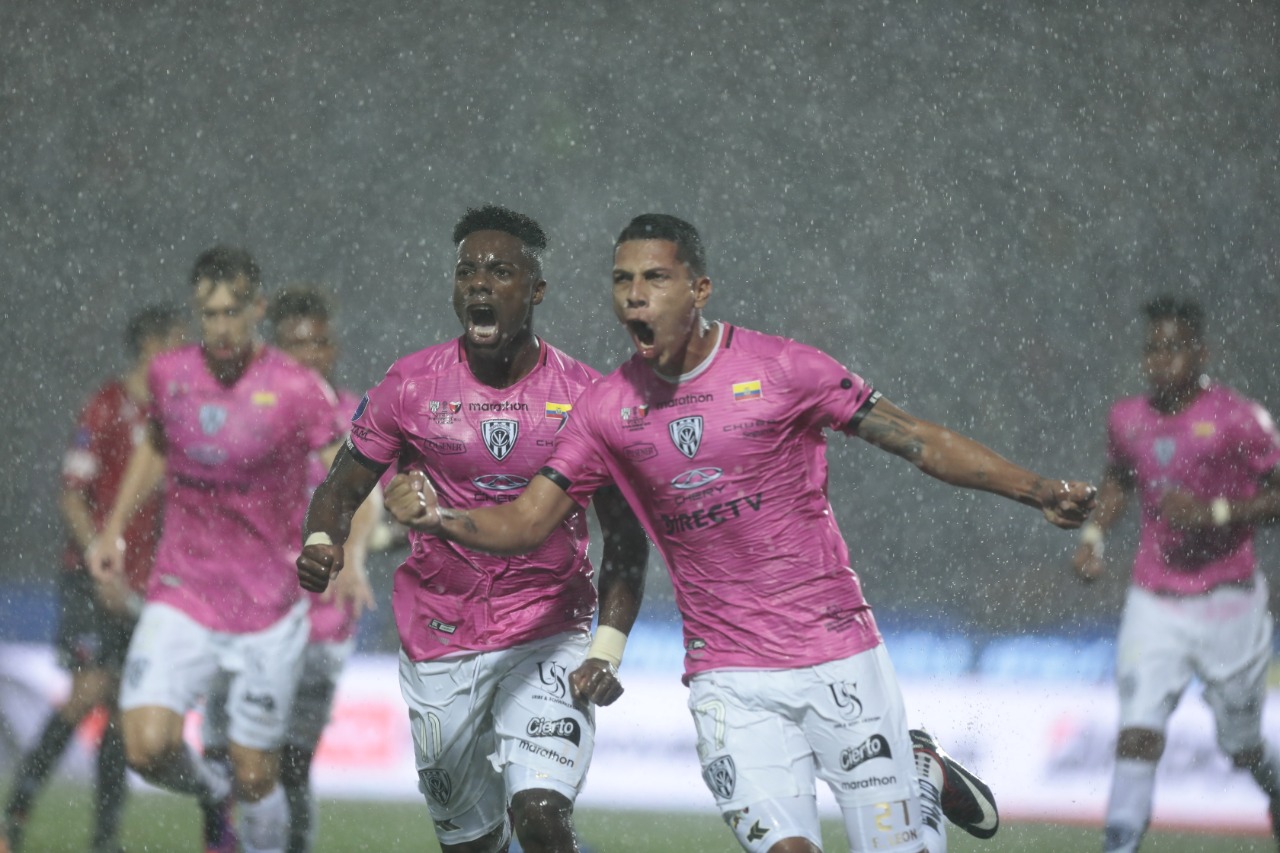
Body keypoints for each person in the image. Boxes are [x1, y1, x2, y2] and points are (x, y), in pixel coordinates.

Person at [374, 213, 1098, 853]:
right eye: (623, 280)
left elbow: (916, 439)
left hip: (838, 653)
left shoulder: (784, 370)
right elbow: (529, 519)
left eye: (655, 278)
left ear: (700, 289)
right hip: (727, 675)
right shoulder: (606, 409)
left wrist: (1035, 490)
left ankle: (919, 772)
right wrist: (440, 518)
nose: (635, 296)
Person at [295, 205, 650, 853]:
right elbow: (339, 488)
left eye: (500, 271)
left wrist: (606, 646)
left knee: (541, 816)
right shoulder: (410, 387)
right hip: (441, 638)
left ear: (536, 290)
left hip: (548, 632)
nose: (480, 283)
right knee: (471, 843)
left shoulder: (586, 398)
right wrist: (323, 541)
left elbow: (626, 539)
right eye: (467, 272)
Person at [86, 246, 349, 853]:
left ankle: (250, 820)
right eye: (210, 314)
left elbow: (346, 474)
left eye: (234, 312)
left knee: (257, 775)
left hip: (267, 605)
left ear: (257, 309)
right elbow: (157, 446)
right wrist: (114, 525)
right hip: (183, 591)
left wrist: (335, 543)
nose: (222, 327)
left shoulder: (296, 388)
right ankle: (211, 791)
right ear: (197, 312)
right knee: (146, 747)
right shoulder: (170, 375)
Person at [1071, 296, 1280, 853]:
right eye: (1151, 350)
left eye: (1172, 349)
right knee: (1138, 730)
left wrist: (1217, 512)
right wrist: (1093, 537)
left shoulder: (1240, 419)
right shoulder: (1127, 418)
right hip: (1156, 598)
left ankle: (1275, 788)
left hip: (1229, 599)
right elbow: (1118, 478)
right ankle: (1120, 843)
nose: (1159, 362)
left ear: (1200, 352)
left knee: (1240, 746)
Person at [201, 283, 381, 853]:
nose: (307, 356)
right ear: (273, 348)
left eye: (317, 343)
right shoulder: (246, 411)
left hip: (319, 620)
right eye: (294, 345)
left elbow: (373, 500)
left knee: (291, 764)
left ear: (333, 349)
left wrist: (356, 554)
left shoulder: (359, 418)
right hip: (242, 609)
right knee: (222, 758)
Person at [0, 305, 186, 853]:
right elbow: (71, 495)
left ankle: (104, 839)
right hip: (91, 576)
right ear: (152, 345)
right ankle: (14, 817)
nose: (186, 354)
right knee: (89, 690)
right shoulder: (107, 406)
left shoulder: (174, 416)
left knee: (122, 711)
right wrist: (100, 557)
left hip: (143, 587)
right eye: (177, 342)